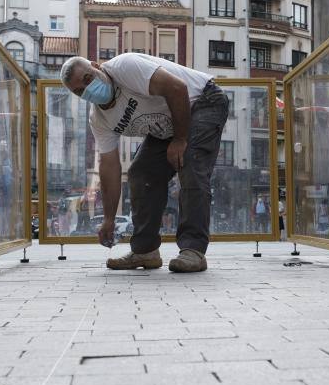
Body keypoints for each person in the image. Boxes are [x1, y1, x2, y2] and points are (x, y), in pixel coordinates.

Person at [60, 53, 229, 273]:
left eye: (88, 78)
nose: (88, 88)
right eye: (80, 91)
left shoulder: (125, 67)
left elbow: (177, 88)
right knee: (140, 172)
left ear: (96, 66)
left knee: (190, 163)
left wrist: (180, 139)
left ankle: (193, 251)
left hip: (202, 101)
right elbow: (109, 166)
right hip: (167, 124)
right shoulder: (99, 119)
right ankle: (145, 250)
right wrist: (109, 220)